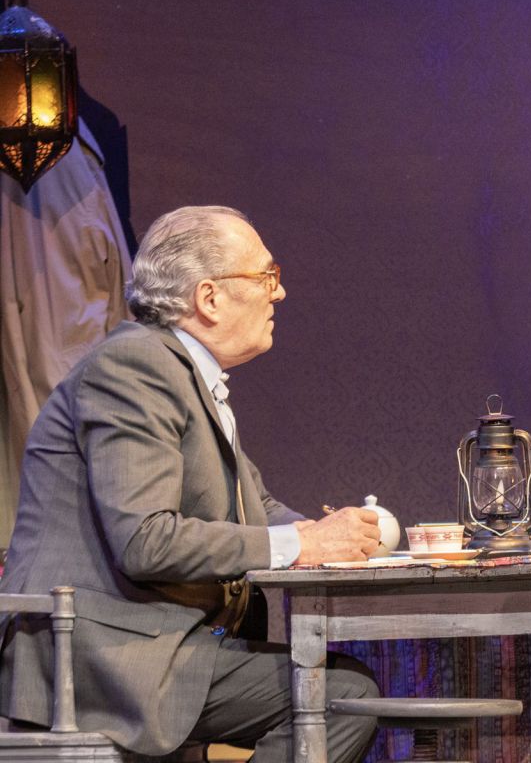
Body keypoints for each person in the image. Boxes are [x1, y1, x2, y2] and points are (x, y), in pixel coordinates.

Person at [0, 205, 384, 762]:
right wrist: (304, 544)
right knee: (345, 695)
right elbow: (145, 541)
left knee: (343, 685)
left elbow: (256, 505)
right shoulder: (136, 366)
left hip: (158, 643)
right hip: (103, 654)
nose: (278, 293)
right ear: (209, 297)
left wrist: (332, 537)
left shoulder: (185, 375)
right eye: (266, 276)